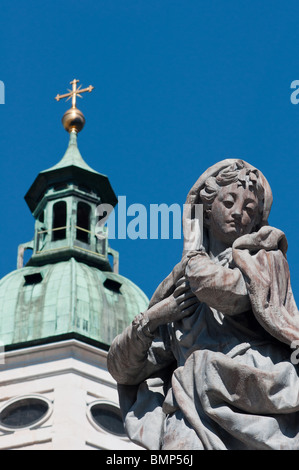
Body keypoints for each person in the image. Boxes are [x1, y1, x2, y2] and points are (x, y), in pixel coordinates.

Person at [107, 159, 299, 450]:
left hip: (254, 394)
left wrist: (192, 257)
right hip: (191, 408)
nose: (238, 214)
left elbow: (230, 293)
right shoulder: (175, 284)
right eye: (229, 202)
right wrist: (155, 317)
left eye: (249, 209)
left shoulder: (265, 260)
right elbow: (122, 370)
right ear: (206, 211)